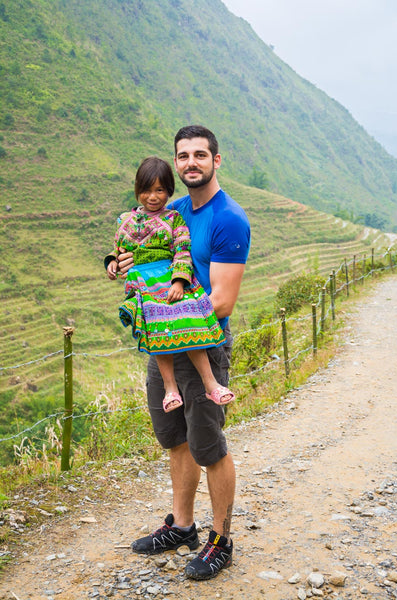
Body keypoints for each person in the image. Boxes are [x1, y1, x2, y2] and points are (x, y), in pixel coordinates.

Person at [106, 125, 250, 580]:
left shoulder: (229, 219)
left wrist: (167, 304)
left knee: (209, 445)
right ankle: (183, 526)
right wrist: (118, 265)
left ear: (216, 160)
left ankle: (221, 540)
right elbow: (137, 243)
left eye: (200, 155)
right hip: (162, 343)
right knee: (175, 439)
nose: (191, 163)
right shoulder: (174, 210)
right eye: (183, 155)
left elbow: (223, 301)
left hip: (203, 343)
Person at [106, 156, 235, 412]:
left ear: (169, 190)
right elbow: (118, 250)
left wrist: (179, 281)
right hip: (143, 283)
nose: (152, 197)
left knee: (190, 317)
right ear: (136, 189)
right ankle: (170, 389)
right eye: (146, 190)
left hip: (170, 277)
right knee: (157, 326)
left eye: (159, 190)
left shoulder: (174, 219)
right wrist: (111, 262)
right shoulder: (125, 221)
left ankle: (211, 385)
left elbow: (182, 250)